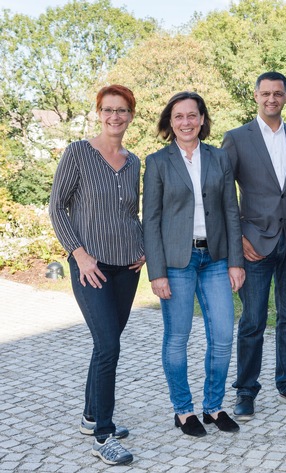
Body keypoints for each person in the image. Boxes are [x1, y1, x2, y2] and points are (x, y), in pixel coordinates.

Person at [49, 85, 144, 465]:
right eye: (108, 110)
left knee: (107, 343)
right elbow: (57, 208)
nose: (114, 116)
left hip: (127, 267)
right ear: (98, 113)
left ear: (130, 115)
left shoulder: (134, 160)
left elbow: (131, 214)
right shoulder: (78, 153)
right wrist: (79, 254)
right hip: (91, 267)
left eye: (122, 110)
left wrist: (143, 249)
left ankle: (91, 416)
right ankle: (103, 435)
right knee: (108, 346)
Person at [143, 91, 244, 437]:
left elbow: (232, 210)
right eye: (178, 117)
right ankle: (183, 410)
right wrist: (156, 272)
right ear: (170, 123)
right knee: (178, 337)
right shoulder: (157, 162)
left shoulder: (219, 158)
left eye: (192, 115)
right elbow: (151, 220)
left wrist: (236, 261)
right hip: (176, 262)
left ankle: (213, 406)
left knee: (222, 335)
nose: (186, 122)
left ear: (202, 119)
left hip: (215, 259)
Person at [221, 72, 286, 421]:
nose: (271, 99)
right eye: (265, 93)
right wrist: (239, 238)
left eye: (278, 93)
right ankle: (246, 390)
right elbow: (224, 196)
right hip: (254, 245)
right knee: (253, 320)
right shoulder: (236, 139)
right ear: (256, 96)